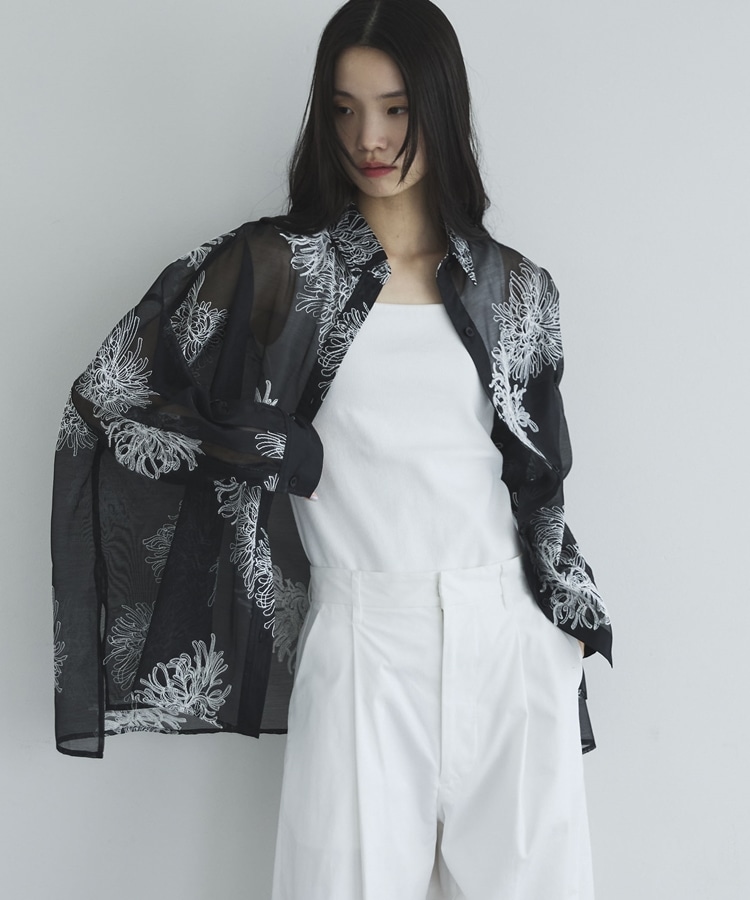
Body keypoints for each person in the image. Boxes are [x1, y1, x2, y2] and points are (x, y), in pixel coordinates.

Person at [51, 1, 612, 897]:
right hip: (364, 638)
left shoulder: (517, 287)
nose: (368, 138)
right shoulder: (279, 269)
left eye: (395, 108)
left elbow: (538, 480)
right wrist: (280, 452)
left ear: (440, 107)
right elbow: (115, 395)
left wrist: (567, 625)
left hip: (511, 640)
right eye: (344, 109)